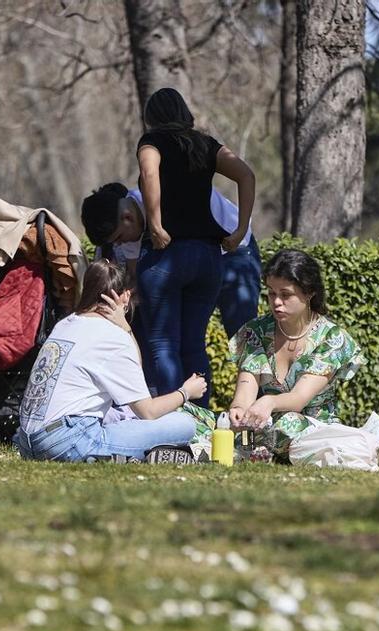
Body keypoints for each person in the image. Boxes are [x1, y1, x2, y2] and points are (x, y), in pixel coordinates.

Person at [133, 88, 256, 406]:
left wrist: (156, 224)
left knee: (162, 343)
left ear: (152, 117)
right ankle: (198, 423)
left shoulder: (152, 142)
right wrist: (240, 229)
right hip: (207, 256)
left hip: (165, 255)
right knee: (193, 345)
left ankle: (171, 420)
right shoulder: (205, 144)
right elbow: (246, 174)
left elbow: (149, 172)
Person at [12, 259, 206, 462]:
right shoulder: (113, 337)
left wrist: (125, 329)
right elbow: (148, 411)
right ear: (126, 295)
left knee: (122, 412)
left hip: (28, 441)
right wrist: (185, 392)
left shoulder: (65, 324)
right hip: (69, 441)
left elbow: (132, 379)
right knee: (184, 424)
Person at [222, 249, 365, 459]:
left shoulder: (331, 338)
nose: (276, 301)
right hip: (265, 423)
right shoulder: (256, 331)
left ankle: (250, 448)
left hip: (309, 428)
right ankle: (251, 447)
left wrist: (269, 402)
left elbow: (299, 399)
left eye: (286, 294)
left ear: (308, 293)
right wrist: (239, 409)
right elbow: (247, 387)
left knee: (289, 422)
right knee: (192, 414)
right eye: (271, 293)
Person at [80, 181, 262, 339]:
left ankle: (262, 379)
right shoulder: (131, 225)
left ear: (128, 217)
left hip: (234, 247)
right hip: (203, 258)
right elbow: (137, 278)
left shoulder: (163, 197)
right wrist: (125, 301)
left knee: (243, 334)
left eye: (119, 237)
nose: (119, 244)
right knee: (189, 340)